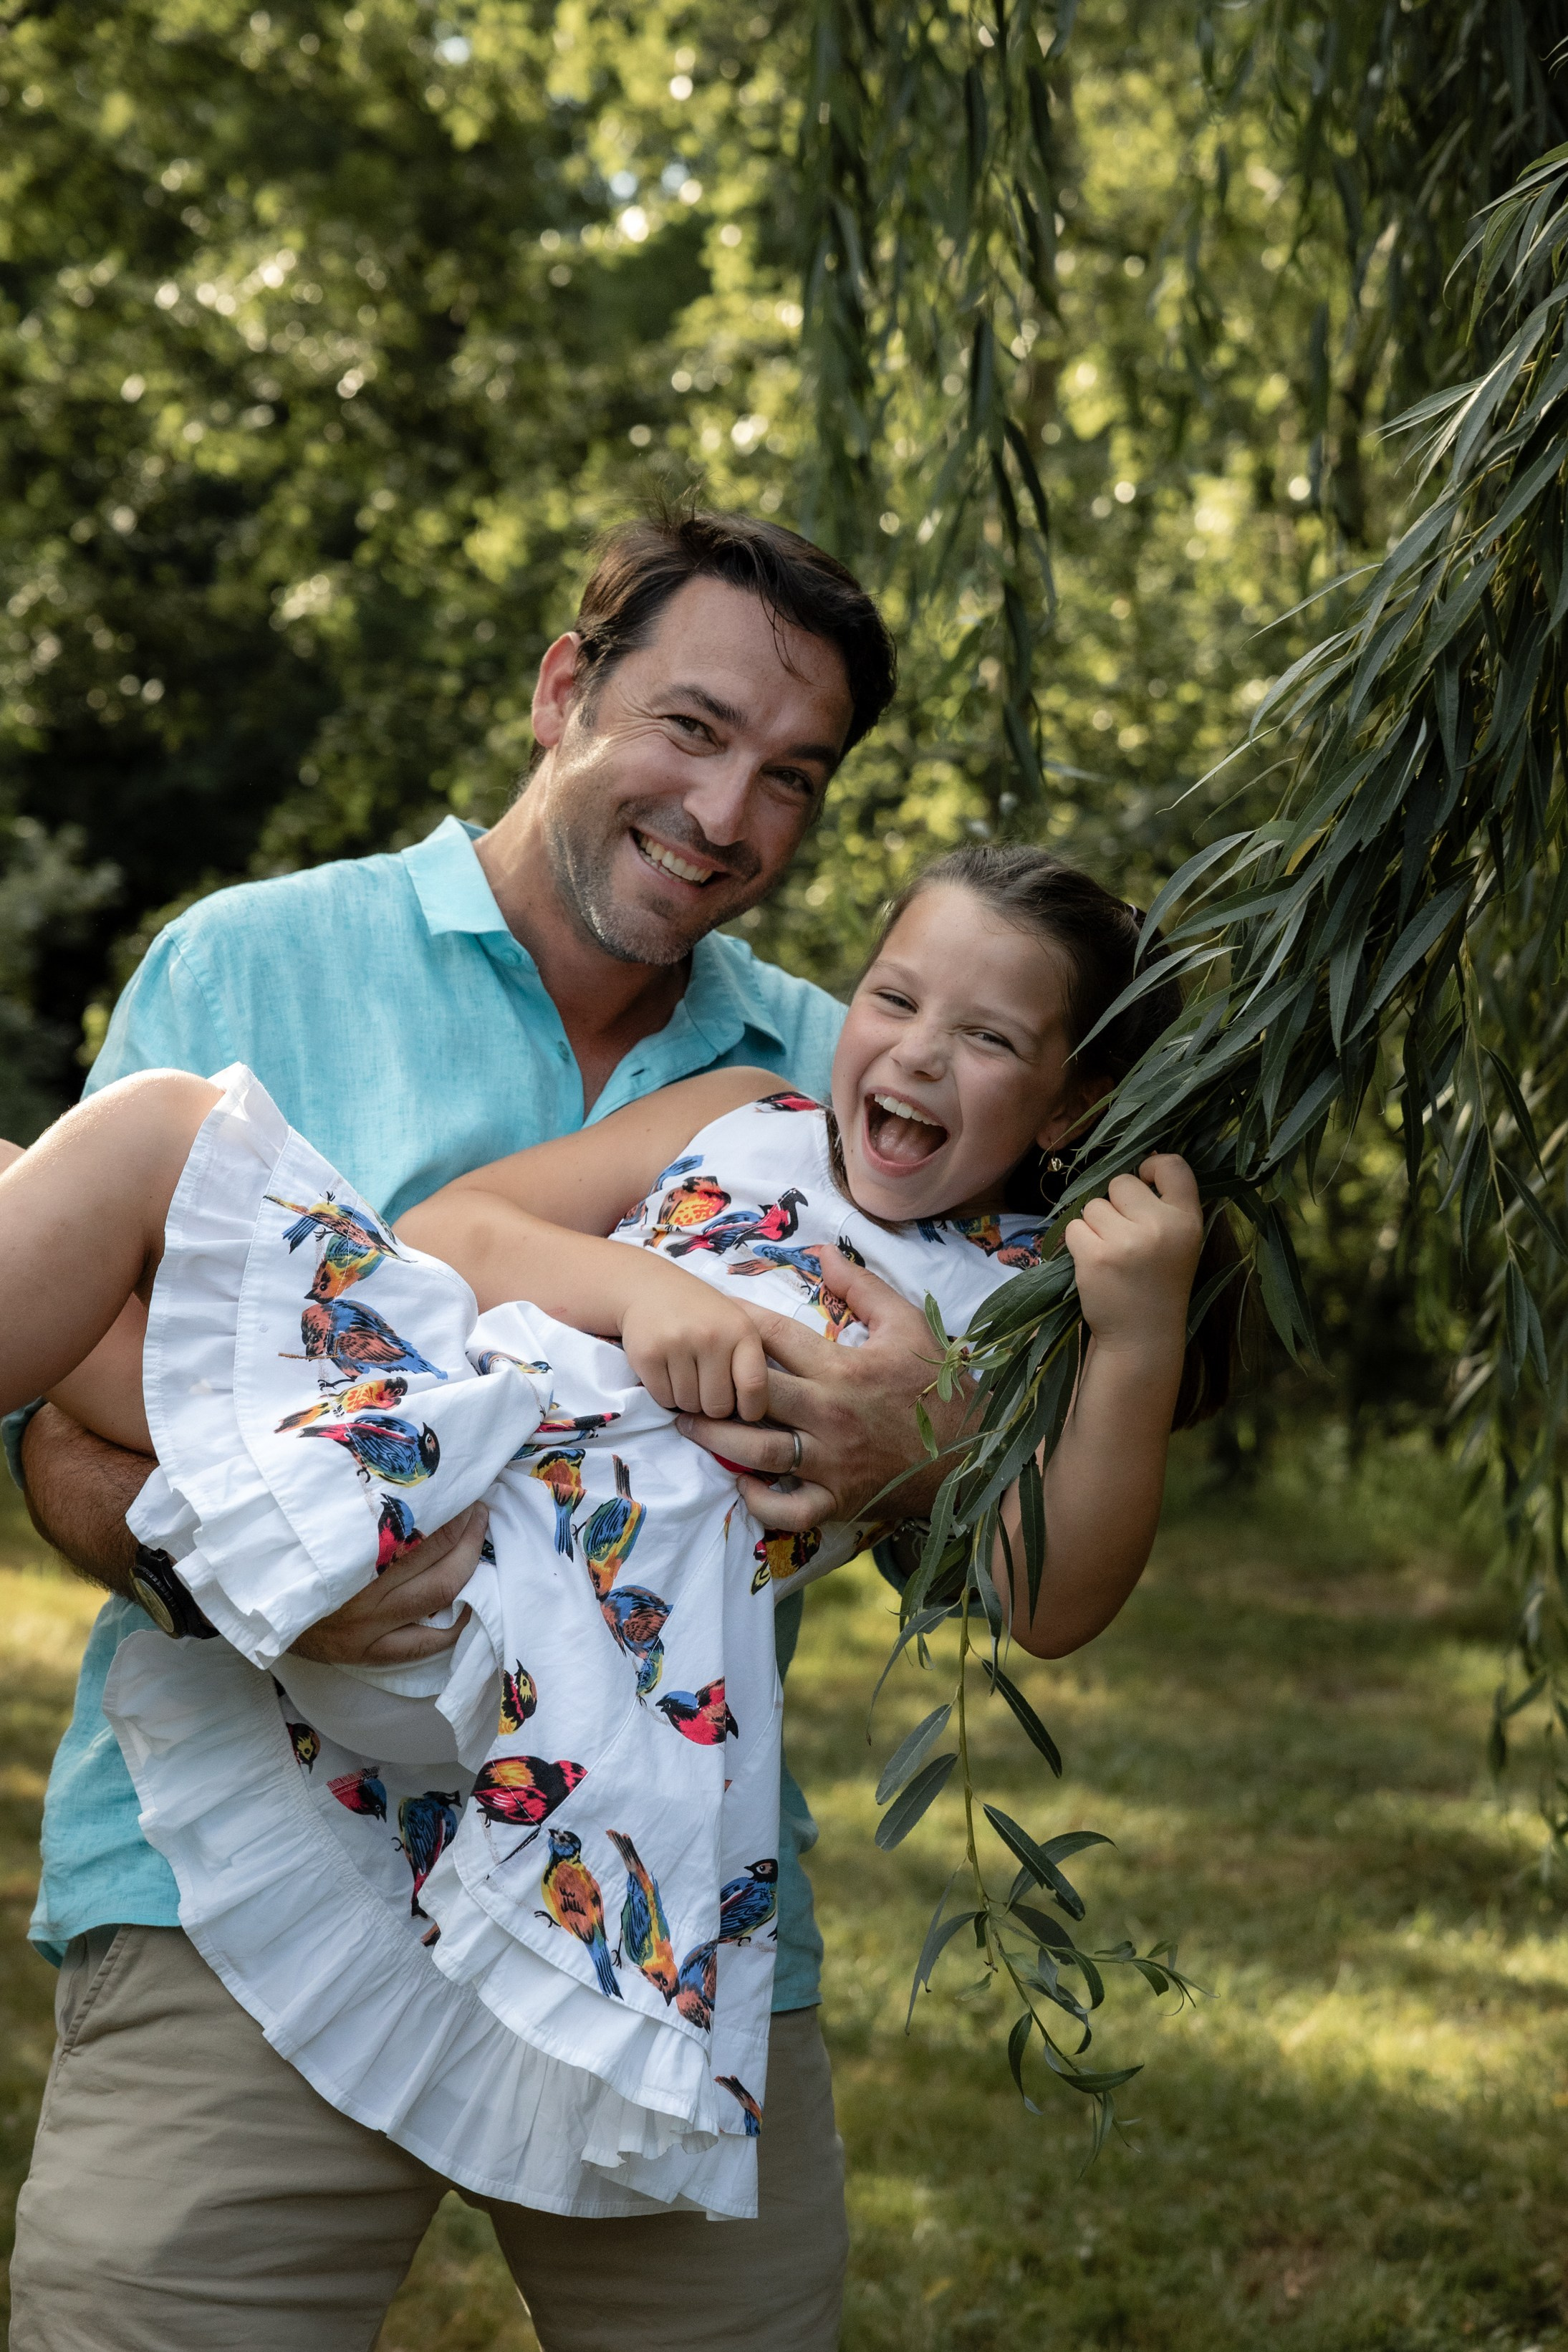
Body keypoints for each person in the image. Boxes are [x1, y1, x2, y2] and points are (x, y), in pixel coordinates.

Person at [4, 505, 956, 2352]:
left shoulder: (831, 1083)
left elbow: (968, 1509)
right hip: (230, 1869)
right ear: (560, 690)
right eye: (691, 727)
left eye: (794, 776)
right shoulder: (253, 967)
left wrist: (909, 1448)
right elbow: (61, 1436)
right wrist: (262, 1584)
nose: (730, 814)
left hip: (659, 1895)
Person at [0, 845, 1213, 2236]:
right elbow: (454, 1230)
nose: (920, 1055)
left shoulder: (1015, 1296)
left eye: (989, 1037)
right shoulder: (747, 1110)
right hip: (418, 1442)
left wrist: (1140, 1329)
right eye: (893, 996)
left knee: (154, 1135)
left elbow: (1047, 1595)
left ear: (1075, 1099)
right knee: (74, 1221)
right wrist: (642, 1293)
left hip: (520, 1628)